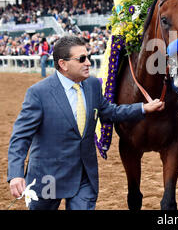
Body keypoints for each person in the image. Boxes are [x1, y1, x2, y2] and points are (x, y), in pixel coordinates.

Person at [7, 35, 165, 210]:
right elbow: (20, 137)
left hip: (84, 176)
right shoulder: (38, 93)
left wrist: (143, 108)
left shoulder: (92, 85)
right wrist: (15, 174)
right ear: (63, 64)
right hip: (47, 177)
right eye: (82, 59)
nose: (88, 62)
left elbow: (110, 112)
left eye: (88, 57)